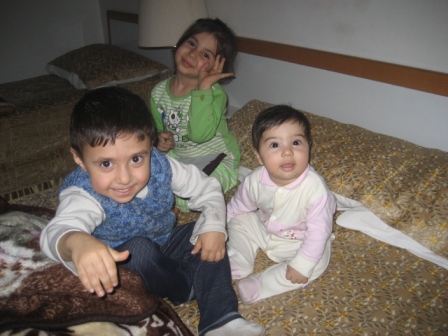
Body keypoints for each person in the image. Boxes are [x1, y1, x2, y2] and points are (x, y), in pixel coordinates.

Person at [39, 87, 265, 336]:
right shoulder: (82, 193)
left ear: (151, 146)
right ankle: (184, 288)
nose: (124, 178)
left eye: (136, 159)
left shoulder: (161, 164)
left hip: (164, 243)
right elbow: (55, 231)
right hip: (122, 268)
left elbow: (207, 187)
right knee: (139, 249)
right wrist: (77, 242)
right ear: (80, 160)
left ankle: (221, 320)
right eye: (106, 164)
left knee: (208, 230)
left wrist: (212, 227)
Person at [226, 105, 336, 304]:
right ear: (259, 156)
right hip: (263, 228)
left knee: (315, 263)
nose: (287, 152)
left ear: (308, 147)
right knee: (239, 219)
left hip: (299, 241)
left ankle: (261, 284)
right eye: (275, 145)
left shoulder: (316, 190)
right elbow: (236, 207)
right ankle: (238, 260)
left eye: (296, 142)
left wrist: (302, 264)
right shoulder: (254, 180)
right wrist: (216, 229)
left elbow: (319, 231)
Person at [149, 18, 240, 213]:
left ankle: (174, 206)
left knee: (194, 194)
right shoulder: (158, 92)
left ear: (216, 67)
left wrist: (204, 87)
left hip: (215, 157)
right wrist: (158, 139)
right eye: (191, 43)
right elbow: (157, 128)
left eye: (205, 54)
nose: (192, 54)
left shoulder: (214, 94)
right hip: (180, 157)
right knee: (143, 175)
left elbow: (200, 135)